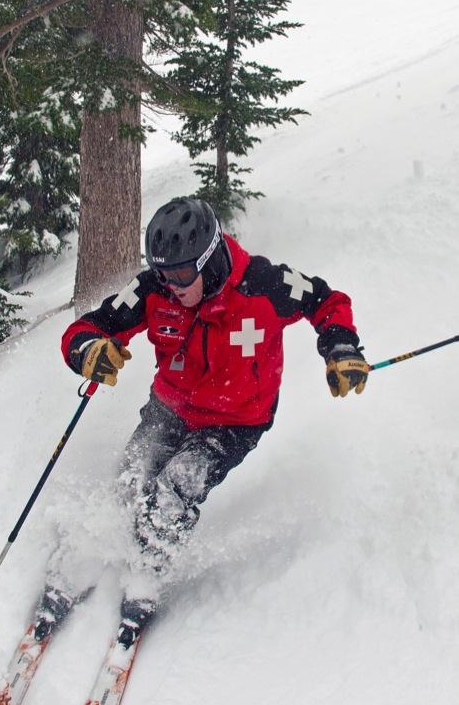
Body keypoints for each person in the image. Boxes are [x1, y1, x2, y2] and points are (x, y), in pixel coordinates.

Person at [60, 197, 369, 646]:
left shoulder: (264, 284)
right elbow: (90, 327)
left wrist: (341, 348)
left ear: (209, 258)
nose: (173, 286)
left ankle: (145, 577)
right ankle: (91, 560)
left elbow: (327, 301)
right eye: (164, 274)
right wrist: (88, 350)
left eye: (183, 275)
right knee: (132, 475)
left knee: (175, 485)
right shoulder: (155, 289)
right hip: (170, 407)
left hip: (235, 420)